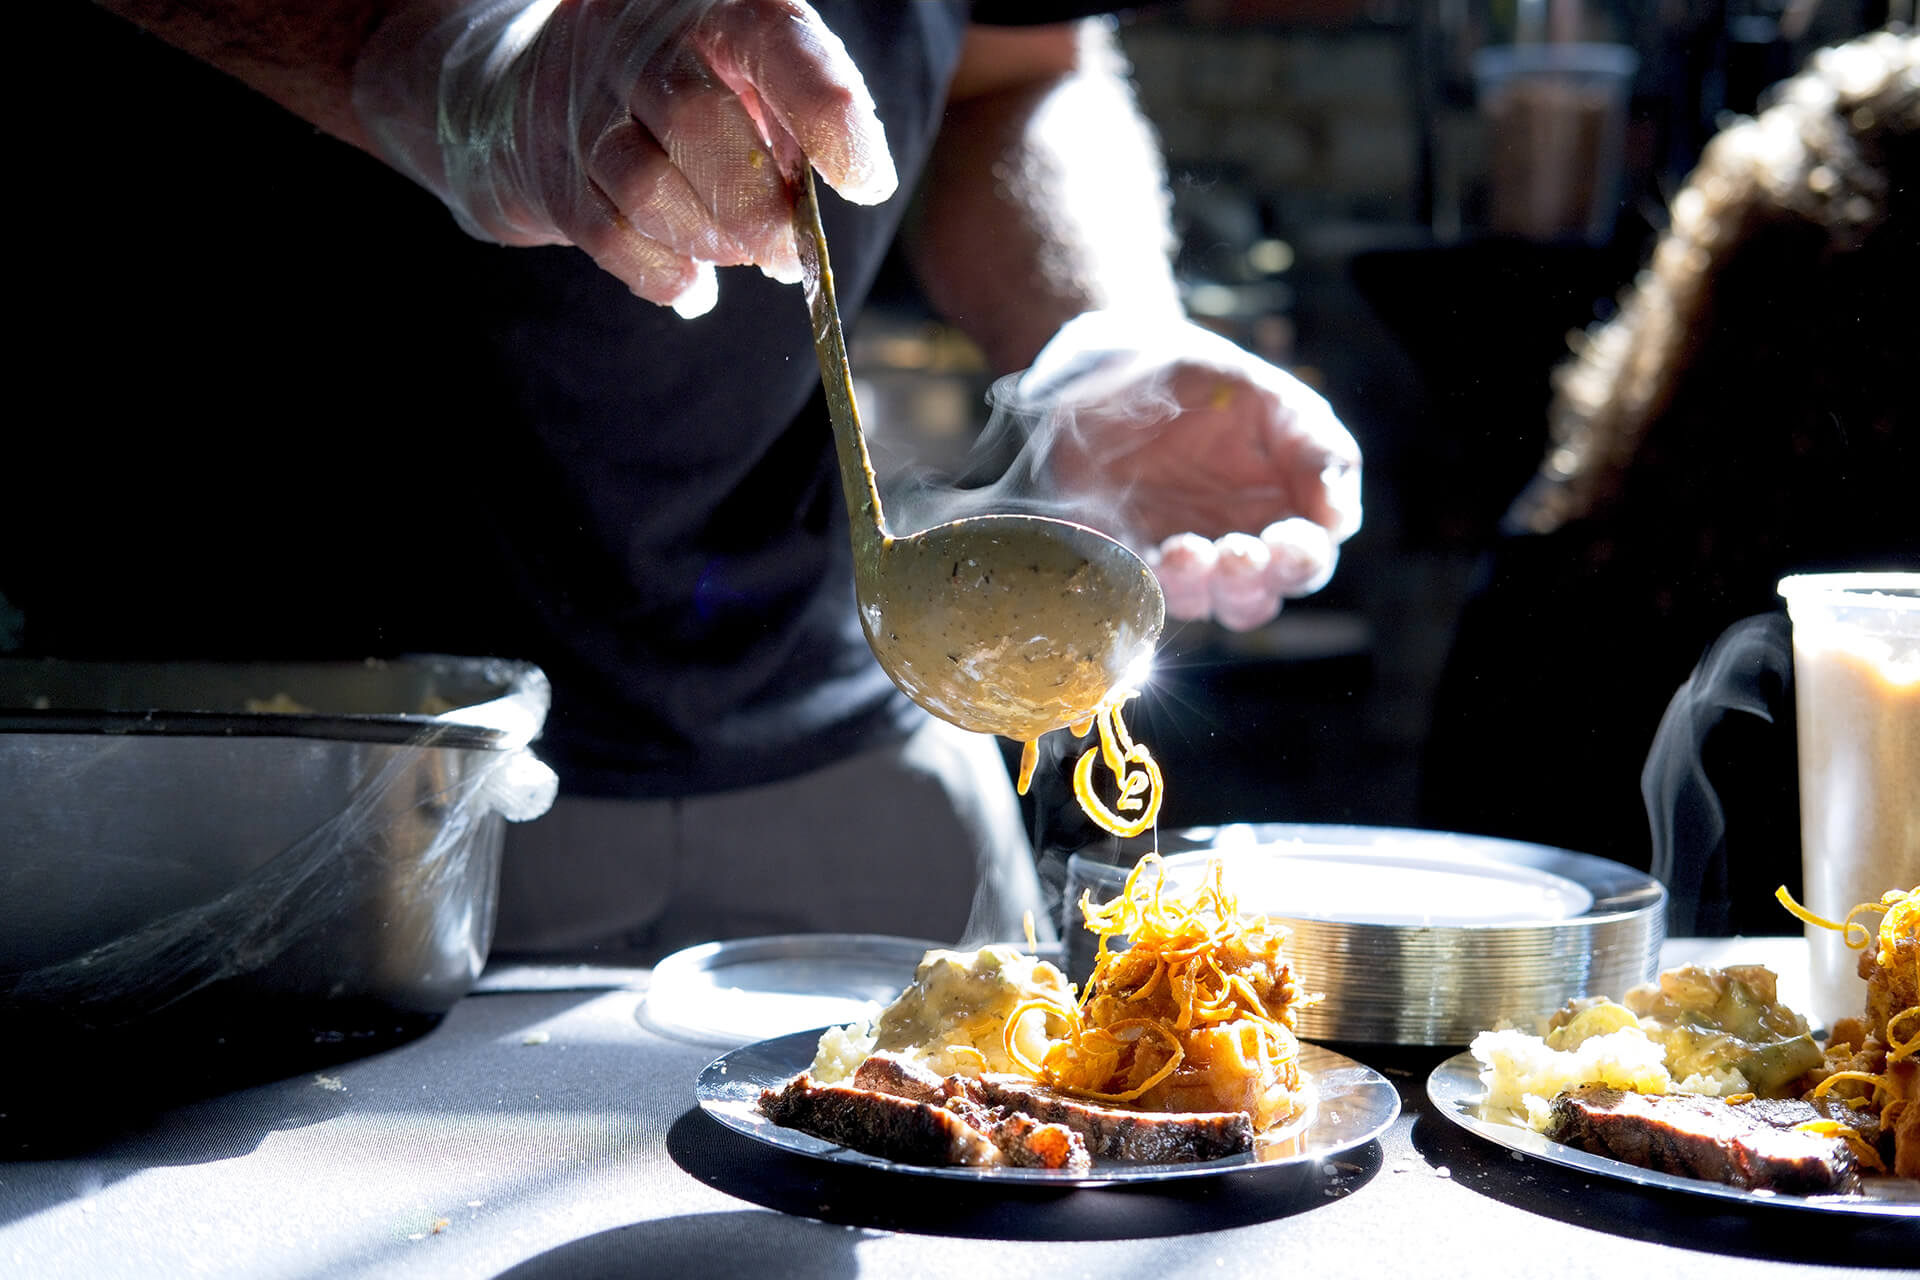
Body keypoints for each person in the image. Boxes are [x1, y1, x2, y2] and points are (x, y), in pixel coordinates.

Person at [8, 1, 1361, 960]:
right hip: (264, 775)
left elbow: (1020, 61)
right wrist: (419, 56)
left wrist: (1092, 323)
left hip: (846, 759)